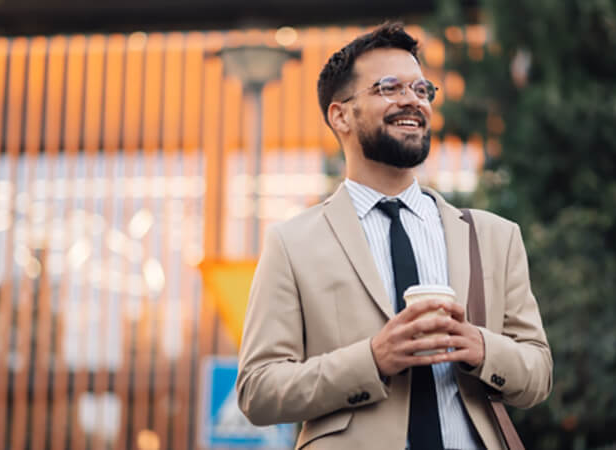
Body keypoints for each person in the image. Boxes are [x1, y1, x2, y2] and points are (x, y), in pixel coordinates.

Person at [236, 22, 552, 450]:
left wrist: (479, 346)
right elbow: (257, 390)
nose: (412, 100)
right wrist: (371, 359)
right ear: (340, 114)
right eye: (389, 87)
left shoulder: (495, 237)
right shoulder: (292, 244)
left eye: (422, 90)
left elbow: (538, 375)